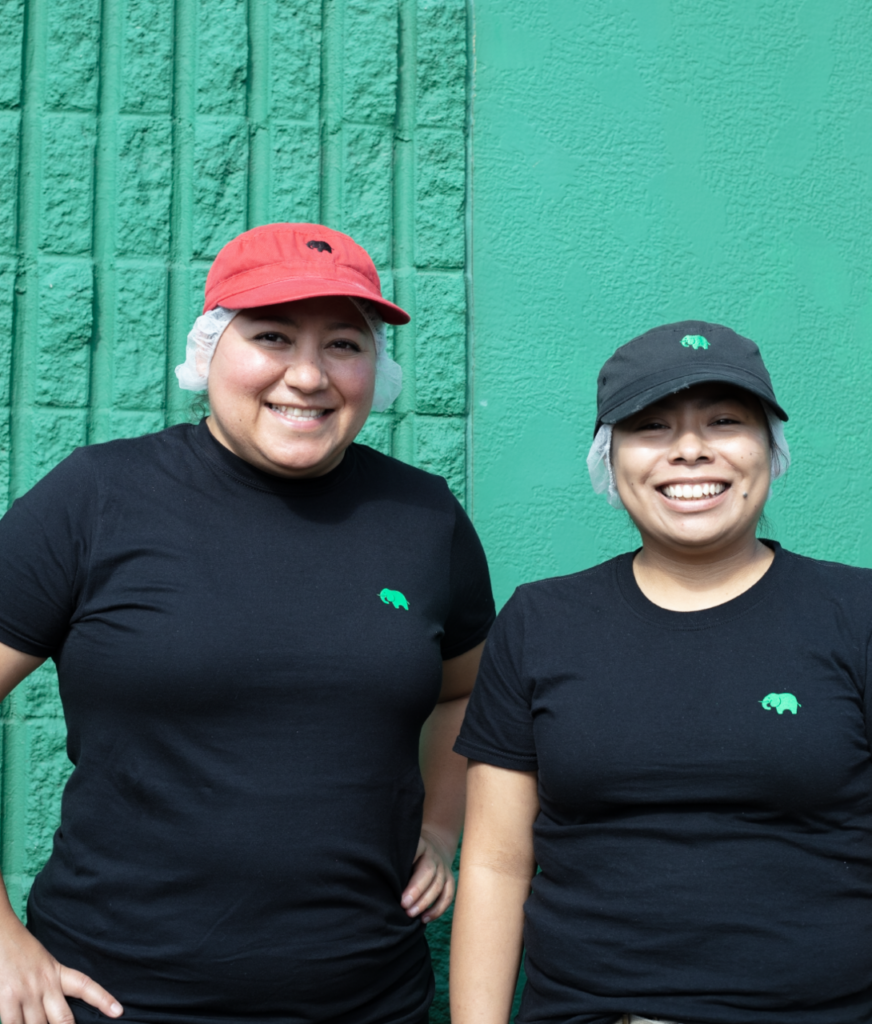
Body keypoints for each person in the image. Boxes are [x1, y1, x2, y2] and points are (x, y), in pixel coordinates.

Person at [0, 222, 494, 1024]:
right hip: (115, 998)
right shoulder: (98, 496)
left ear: (378, 370)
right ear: (208, 353)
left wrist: (441, 829)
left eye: (344, 343)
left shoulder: (421, 517)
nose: (308, 375)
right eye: (271, 336)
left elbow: (466, 694)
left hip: (366, 999)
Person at [450, 320, 872, 1024]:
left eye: (725, 421)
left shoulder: (855, 613)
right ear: (608, 461)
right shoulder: (540, 620)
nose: (690, 450)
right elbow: (495, 865)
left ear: (771, 449)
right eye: (650, 427)